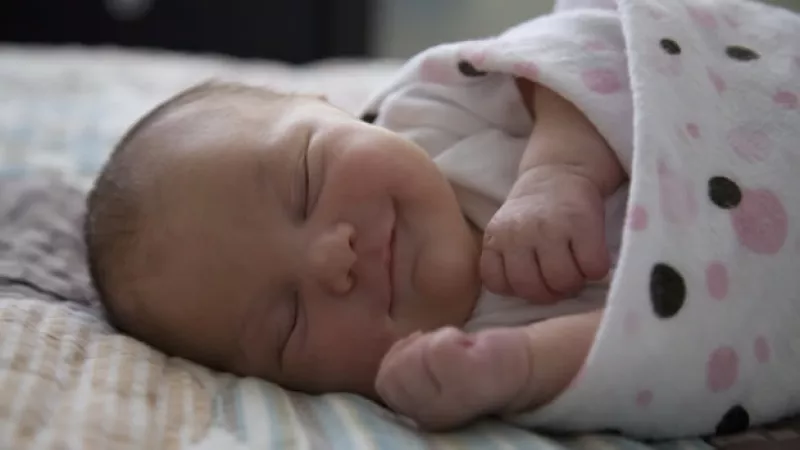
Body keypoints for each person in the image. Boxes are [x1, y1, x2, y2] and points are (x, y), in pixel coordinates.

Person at [84, 6, 632, 431]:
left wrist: (561, 169)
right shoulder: (468, 363)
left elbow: (588, 44)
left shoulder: (437, 112)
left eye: (305, 182)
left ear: (330, 109)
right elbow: (665, 349)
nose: (331, 258)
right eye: (289, 321)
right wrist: (525, 368)